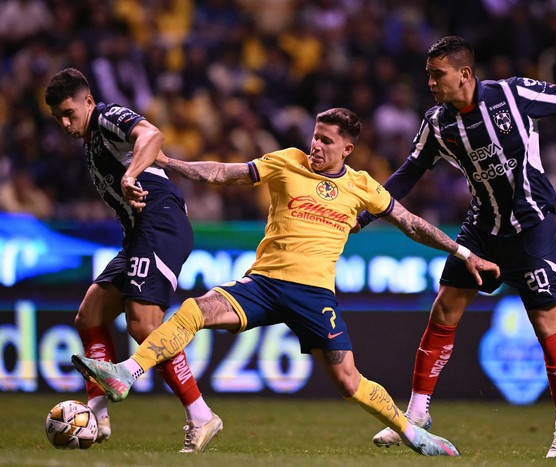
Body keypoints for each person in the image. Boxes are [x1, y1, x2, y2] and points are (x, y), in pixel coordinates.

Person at [71, 107, 500, 456]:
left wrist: (463, 253)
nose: (315, 145)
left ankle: (414, 433)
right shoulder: (286, 162)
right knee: (193, 310)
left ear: (347, 149)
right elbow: (223, 173)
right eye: (315, 136)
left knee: (349, 382)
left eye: (326, 141)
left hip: (313, 297)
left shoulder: (362, 187)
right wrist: (168, 162)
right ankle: (125, 373)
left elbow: (411, 224)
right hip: (262, 285)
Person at [354, 36, 556, 458]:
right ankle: (416, 415)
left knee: (546, 325)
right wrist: (366, 213)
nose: (431, 83)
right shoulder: (437, 122)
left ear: (464, 74)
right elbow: (409, 171)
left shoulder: (513, 93)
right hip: (482, 228)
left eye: (438, 75)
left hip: (531, 225)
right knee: (444, 308)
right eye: (428, 75)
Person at [44, 68, 221, 453]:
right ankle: (95, 414)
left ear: (88, 101)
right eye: (58, 116)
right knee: (89, 316)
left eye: (70, 112)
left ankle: (201, 415)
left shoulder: (107, 117)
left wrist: (132, 175)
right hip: (138, 234)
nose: (64, 122)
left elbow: (152, 133)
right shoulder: (91, 142)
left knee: (144, 324)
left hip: (161, 222)